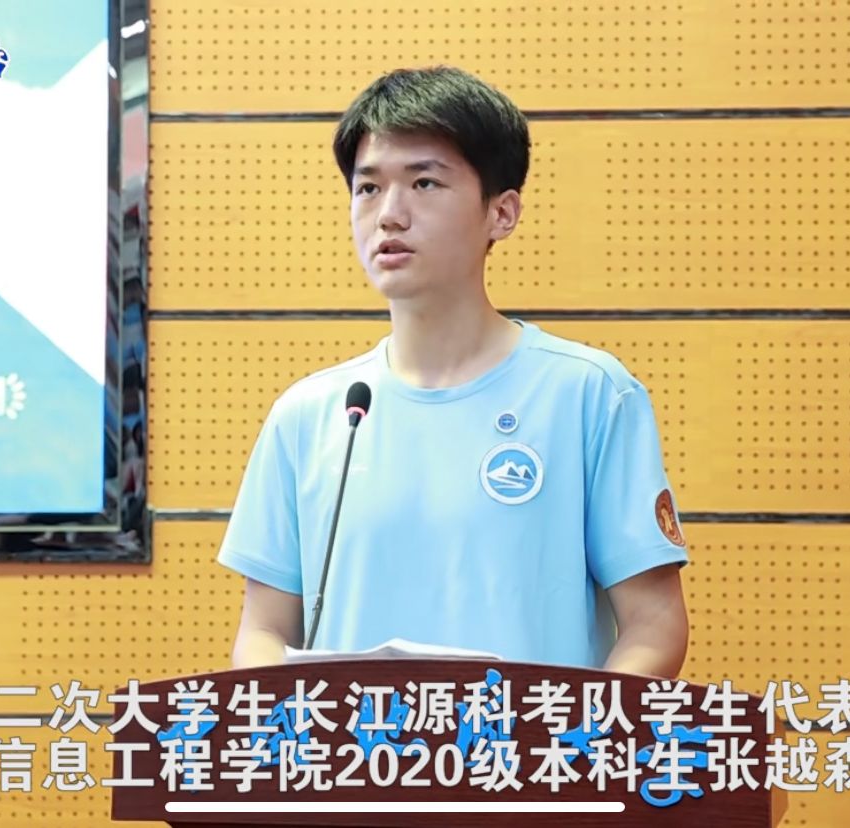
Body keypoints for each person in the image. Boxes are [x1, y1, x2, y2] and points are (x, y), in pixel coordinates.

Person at [218, 66, 690, 678]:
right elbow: (262, 632)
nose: (389, 215)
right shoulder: (311, 414)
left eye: (424, 182)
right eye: (368, 188)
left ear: (502, 213)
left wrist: (573, 736)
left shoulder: (588, 394)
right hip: (358, 744)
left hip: (536, 741)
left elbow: (655, 625)